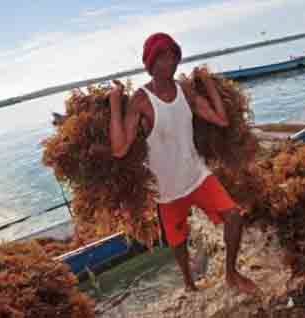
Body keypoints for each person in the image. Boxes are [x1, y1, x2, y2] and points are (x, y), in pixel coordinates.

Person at [109, 32, 259, 295]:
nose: (171, 63)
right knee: (177, 242)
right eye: (164, 58)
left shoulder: (185, 91)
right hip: (167, 190)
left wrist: (208, 84)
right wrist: (114, 103)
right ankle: (189, 283)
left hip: (197, 175)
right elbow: (120, 149)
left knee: (234, 217)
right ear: (151, 63)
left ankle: (231, 273)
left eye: (174, 57)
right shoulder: (141, 100)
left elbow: (221, 120)